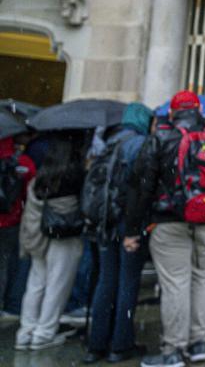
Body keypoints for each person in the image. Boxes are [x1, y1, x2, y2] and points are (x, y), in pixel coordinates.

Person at [124, 91, 205, 367]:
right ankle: (198, 343)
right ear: (199, 110)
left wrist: (132, 228)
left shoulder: (162, 138)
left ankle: (174, 349)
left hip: (170, 222)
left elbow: (142, 187)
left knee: (176, 283)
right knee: (202, 279)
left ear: (172, 112)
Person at [85, 103, 154, 363]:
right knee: (127, 282)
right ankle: (121, 343)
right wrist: (135, 229)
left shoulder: (106, 144)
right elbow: (139, 190)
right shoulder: (139, 145)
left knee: (106, 281)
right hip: (127, 222)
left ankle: (96, 343)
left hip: (104, 221)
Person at [16, 135, 85, 351]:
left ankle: (25, 331)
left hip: (38, 235)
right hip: (64, 236)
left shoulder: (42, 175)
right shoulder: (75, 176)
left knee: (36, 283)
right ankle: (44, 333)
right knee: (57, 285)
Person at [0, 128, 35, 325]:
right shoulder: (22, 162)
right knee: (8, 264)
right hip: (11, 221)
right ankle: (9, 303)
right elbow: (31, 191)